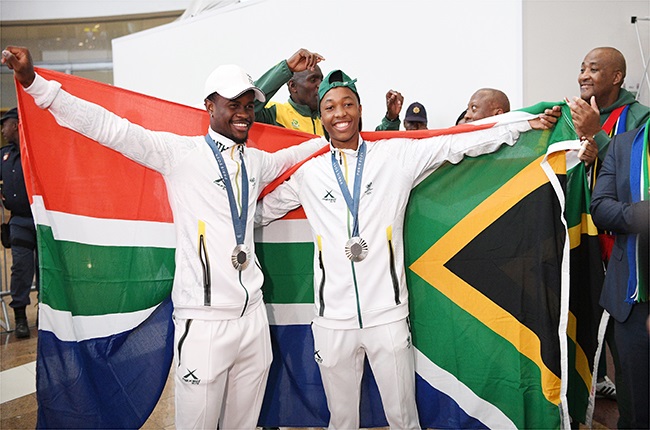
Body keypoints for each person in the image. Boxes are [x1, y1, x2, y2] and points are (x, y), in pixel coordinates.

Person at [2, 45, 327, 429]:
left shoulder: (255, 161)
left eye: (249, 106)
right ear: (210, 105)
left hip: (252, 318)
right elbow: (110, 129)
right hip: (203, 323)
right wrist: (35, 84)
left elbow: (294, 154)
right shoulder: (180, 154)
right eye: (233, 104)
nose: (243, 114)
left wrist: (336, 138)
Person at [256, 69, 560, 429]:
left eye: (347, 104)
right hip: (332, 321)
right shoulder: (309, 173)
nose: (340, 113)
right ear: (320, 116)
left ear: (360, 109)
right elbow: (261, 212)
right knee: (341, 420)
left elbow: (456, 142)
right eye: (330, 107)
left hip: (387, 316)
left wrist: (524, 123)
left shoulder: (395, 156)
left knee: (403, 418)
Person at [590, 119, 649, 430]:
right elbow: (600, 208)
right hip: (630, 300)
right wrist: (641, 214)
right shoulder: (624, 144)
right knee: (636, 408)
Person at [254, 49, 403, 134]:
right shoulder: (274, 114)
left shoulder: (330, 120)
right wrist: (287, 67)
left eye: (321, 79)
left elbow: (369, 148)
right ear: (292, 86)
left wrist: (390, 120)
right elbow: (246, 104)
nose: (320, 86)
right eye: (313, 80)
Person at [567, 47, 650, 168]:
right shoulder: (576, 116)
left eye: (593, 70)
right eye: (582, 70)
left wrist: (596, 134)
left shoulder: (642, 117)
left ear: (616, 77)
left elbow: (637, 171)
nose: (583, 77)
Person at [0, 107, 38, 339]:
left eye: (5, 124)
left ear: (15, 125)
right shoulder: (3, 156)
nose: (2, 130)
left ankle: (46, 314)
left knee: (44, 270)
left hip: (42, 220)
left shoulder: (35, 150)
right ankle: (21, 317)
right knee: (21, 270)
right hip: (19, 221)